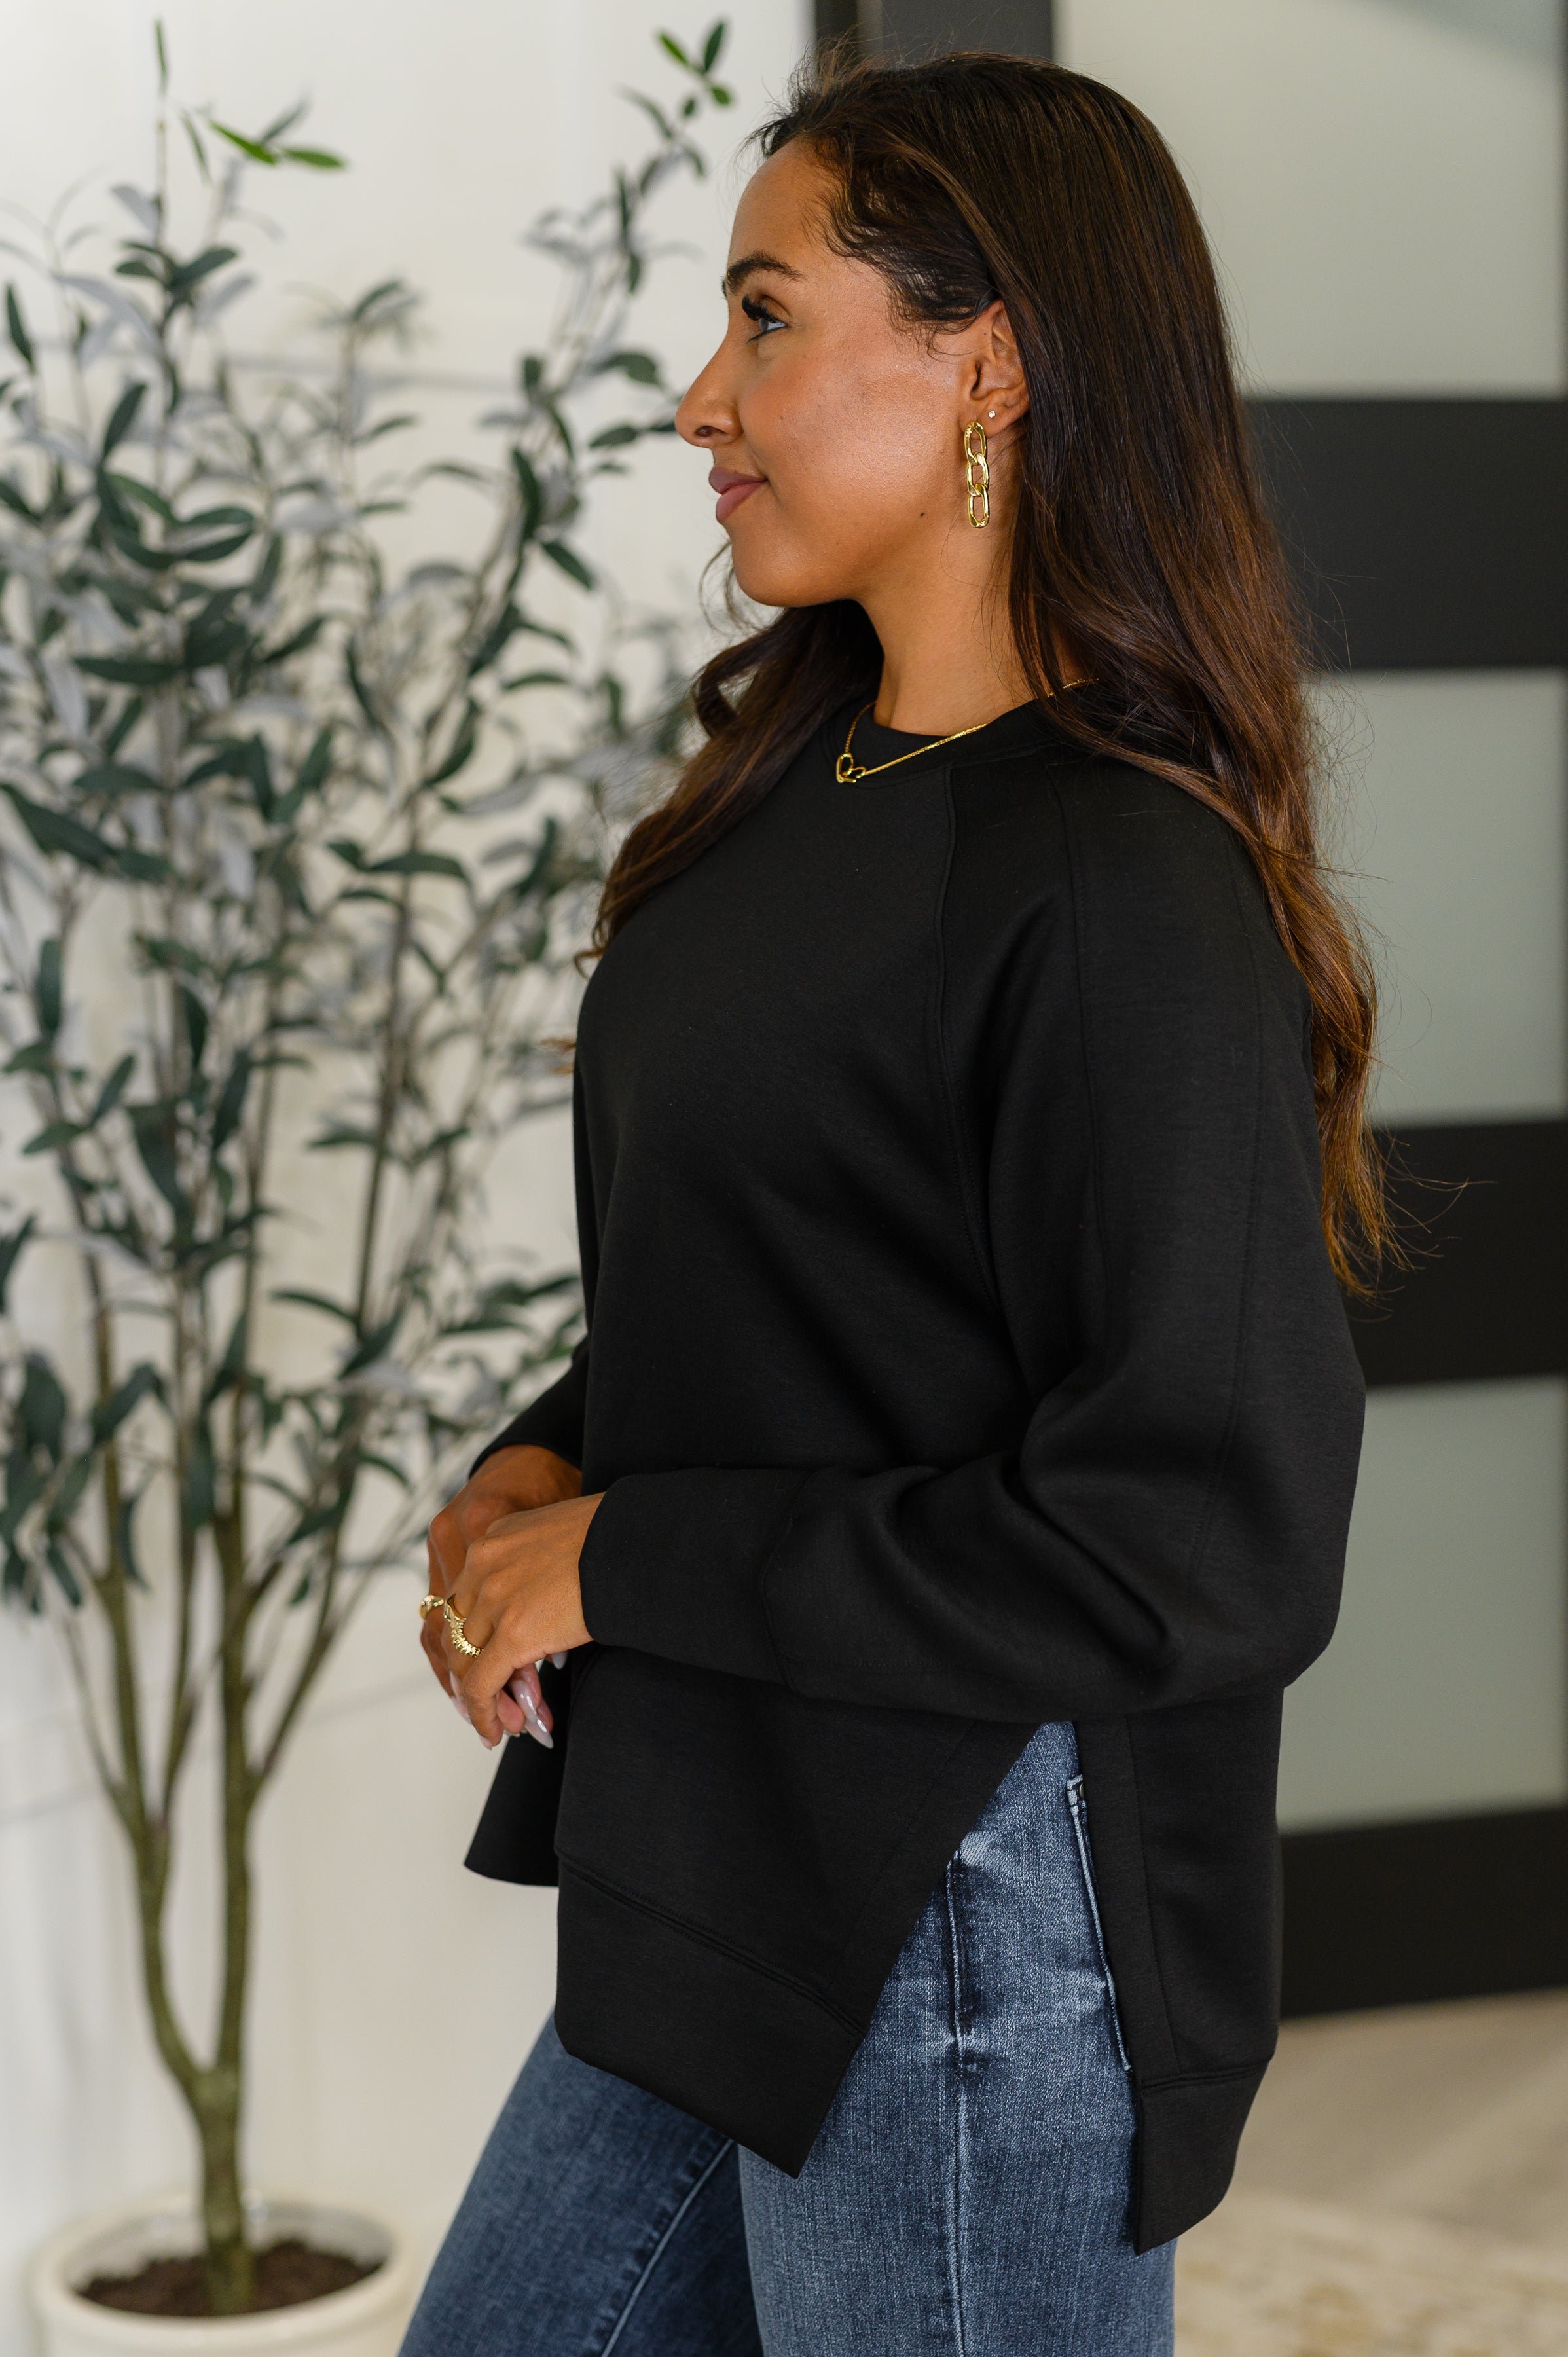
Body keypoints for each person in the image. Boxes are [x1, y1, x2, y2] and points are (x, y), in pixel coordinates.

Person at [399, 46, 1372, 2357]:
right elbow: (796, 1265)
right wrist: (556, 1455)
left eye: (761, 315)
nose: (692, 400)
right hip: (725, 1837)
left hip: (966, 1917)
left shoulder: (1117, 882)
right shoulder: (792, 784)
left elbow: (1192, 1533)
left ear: (991, 367)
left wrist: (624, 1552)